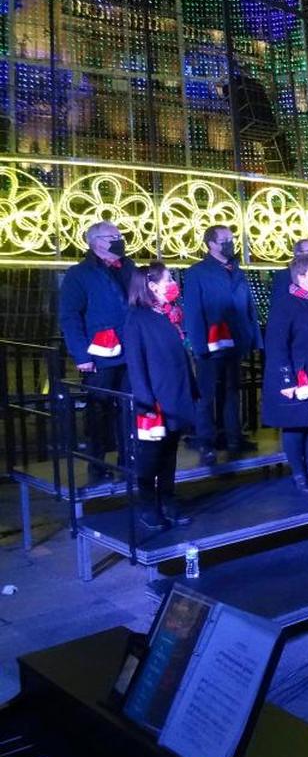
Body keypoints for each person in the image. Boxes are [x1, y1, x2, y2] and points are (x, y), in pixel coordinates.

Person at [58, 221, 135, 484]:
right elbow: (70, 316)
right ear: (95, 242)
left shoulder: (129, 267)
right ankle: (97, 462)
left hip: (130, 350)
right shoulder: (79, 274)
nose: (118, 239)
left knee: (130, 406)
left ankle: (128, 459)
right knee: (99, 408)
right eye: (112, 236)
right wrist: (81, 355)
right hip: (100, 353)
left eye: (119, 235)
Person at [124, 263, 197, 530]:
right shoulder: (137, 318)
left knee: (169, 452)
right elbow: (136, 363)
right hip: (154, 398)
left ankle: (167, 499)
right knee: (151, 454)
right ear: (152, 286)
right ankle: (147, 504)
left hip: (176, 393)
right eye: (168, 280)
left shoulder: (169, 314)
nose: (173, 284)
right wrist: (145, 403)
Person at [183, 225, 263, 466]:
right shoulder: (197, 272)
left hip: (236, 340)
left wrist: (254, 337)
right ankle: (206, 440)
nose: (230, 243)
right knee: (206, 395)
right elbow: (194, 311)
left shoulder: (237, 269)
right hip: (210, 342)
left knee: (232, 391)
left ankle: (233, 437)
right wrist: (199, 346)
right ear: (211, 245)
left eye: (231, 238)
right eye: (224, 240)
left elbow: (249, 306)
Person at [262, 253, 308, 494]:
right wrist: (286, 380)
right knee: (295, 426)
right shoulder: (285, 304)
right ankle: (299, 474)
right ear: (299, 277)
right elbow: (276, 345)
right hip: (296, 375)